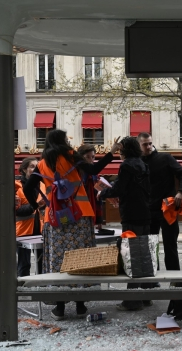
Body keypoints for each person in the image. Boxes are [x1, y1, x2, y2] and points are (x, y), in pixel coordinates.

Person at [25, 129, 120, 320]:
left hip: (57, 219)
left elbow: (28, 187)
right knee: (82, 259)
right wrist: (111, 152)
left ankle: (59, 308)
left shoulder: (43, 164)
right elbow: (94, 170)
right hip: (81, 214)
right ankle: (80, 306)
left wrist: (37, 205)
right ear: (63, 141)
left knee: (59, 260)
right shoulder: (72, 156)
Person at [99, 136, 151, 311]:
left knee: (132, 255)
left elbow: (120, 189)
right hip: (145, 213)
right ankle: (145, 296)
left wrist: (103, 192)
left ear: (124, 151)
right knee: (143, 254)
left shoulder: (126, 165)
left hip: (131, 213)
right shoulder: (143, 164)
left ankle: (132, 300)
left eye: (120, 150)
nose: (119, 153)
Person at [137, 133, 182, 271]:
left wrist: (181, 192)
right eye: (144, 144)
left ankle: (176, 280)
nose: (148, 146)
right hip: (149, 210)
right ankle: (153, 280)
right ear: (139, 146)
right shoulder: (138, 163)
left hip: (168, 208)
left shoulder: (165, 158)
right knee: (151, 248)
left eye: (150, 143)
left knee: (170, 246)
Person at [15, 157, 44, 277]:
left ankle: (43, 288)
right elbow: (17, 211)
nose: (35, 169)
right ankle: (23, 289)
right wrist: (36, 206)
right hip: (23, 232)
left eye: (37, 167)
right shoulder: (17, 187)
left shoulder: (43, 185)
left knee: (43, 264)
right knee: (24, 265)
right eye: (32, 166)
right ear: (24, 169)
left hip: (41, 230)